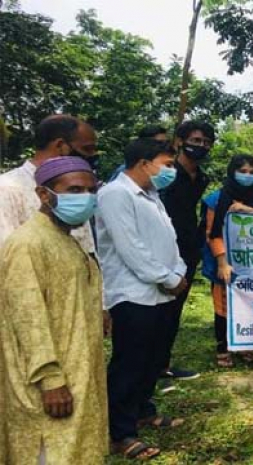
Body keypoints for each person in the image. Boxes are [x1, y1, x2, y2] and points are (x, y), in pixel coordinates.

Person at [0, 157, 109, 463]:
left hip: (77, 369)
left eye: (91, 190)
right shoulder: (28, 244)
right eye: (74, 190)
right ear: (43, 195)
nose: (85, 198)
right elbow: (28, 318)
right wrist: (50, 380)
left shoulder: (65, 239)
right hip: (49, 383)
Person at [96, 138, 188, 458]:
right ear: (144, 163)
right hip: (133, 293)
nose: (172, 170)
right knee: (130, 362)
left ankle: (142, 409)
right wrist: (168, 278)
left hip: (161, 292)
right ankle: (120, 432)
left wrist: (178, 271)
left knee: (153, 358)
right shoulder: (115, 194)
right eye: (168, 164)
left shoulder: (151, 195)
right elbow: (130, 247)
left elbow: (169, 240)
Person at [201, 154, 253, 368]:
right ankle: (223, 348)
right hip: (225, 261)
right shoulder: (216, 198)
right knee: (223, 307)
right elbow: (211, 233)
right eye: (242, 171)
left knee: (249, 303)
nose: (247, 176)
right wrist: (222, 262)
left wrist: (250, 212)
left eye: (252, 172)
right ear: (232, 171)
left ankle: (244, 345)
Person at [156, 120, 216, 387]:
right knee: (157, 308)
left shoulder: (201, 178)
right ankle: (148, 367)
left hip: (188, 249)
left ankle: (163, 364)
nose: (201, 146)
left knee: (175, 309)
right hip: (161, 248)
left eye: (206, 142)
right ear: (179, 142)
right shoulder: (165, 174)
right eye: (195, 141)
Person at [0, 115, 97, 253]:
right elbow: (6, 255)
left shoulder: (81, 189)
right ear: (60, 145)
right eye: (87, 149)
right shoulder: (7, 189)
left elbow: (87, 249)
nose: (92, 156)